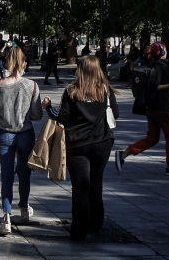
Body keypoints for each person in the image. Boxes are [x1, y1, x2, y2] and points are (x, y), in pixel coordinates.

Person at [43, 56, 119, 240]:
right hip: (102, 143)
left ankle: (79, 228)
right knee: (96, 182)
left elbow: (62, 118)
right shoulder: (105, 90)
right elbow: (115, 114)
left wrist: (48, 107)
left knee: (80, 187)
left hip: (77, 145)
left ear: (81, 70)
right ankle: (96, 222)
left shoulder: (72, 91)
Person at [0, 46, 42, 235]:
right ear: (23, 63)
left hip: (5, 134)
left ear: (7, 62)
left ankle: (6, 218)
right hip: (25, 134)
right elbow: (37, 115)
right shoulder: (32, 86)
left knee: (6, 175)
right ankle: (24, 208)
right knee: (25, 173)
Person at [116, 42, 169, 176]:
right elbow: (154, 87)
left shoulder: (152, 66)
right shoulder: (160, 67)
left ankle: (124, 153)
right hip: (159, 107)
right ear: (161, 52)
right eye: (165, 50)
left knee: (153, 138)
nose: (167, 52)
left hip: (150, 107)